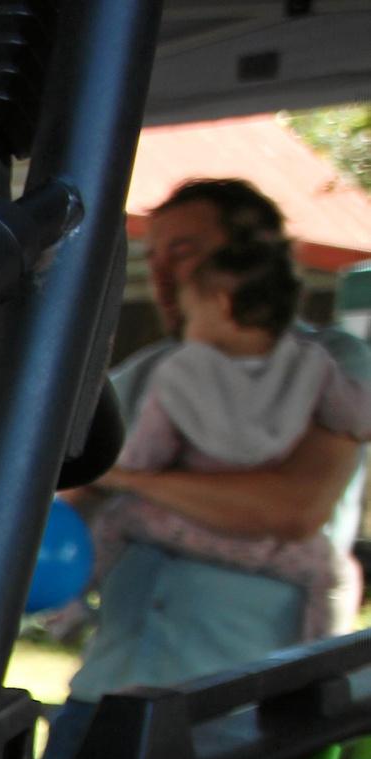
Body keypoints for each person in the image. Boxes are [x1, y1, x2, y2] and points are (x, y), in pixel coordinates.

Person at [55, 179, 371, 739]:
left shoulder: (333, 361)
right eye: (154, 258)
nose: (164, 276)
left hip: (242, 709)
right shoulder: (142, 375)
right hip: (105, 696)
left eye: (184, 252)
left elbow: (290, 509)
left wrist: (129, 480)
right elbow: (72, 503)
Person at [84, 237, 371, 643]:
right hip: (274, 542)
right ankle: (313, 669)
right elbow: (356, 416)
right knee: (336, 574)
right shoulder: (314, 366)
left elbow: (143, 452)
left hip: (198, 522)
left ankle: (69, 611)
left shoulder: (180, 374)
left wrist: (124, 477)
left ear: (218, 306)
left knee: (117, 519)